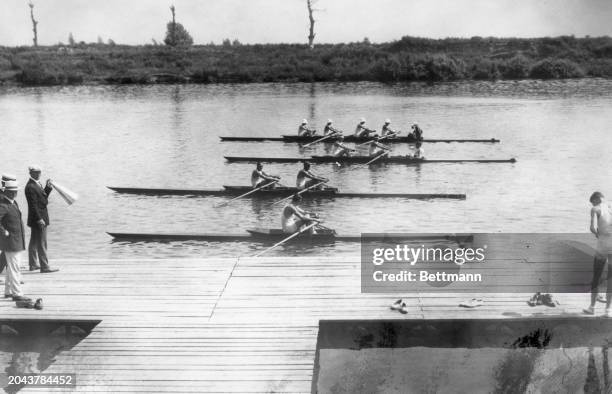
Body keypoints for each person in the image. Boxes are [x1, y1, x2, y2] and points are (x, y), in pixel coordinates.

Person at [24, 165, 59, 273]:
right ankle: (44, 266)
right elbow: (33, 205)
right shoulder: (30, 186)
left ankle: (33, 264)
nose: (39, 174)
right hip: (38, 218)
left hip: (36, 218)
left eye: (39, 172)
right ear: (31, 173)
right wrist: (39, 219)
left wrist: (47, 188)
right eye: (36, 172)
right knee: (42, 242)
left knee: (34, 241)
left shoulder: (35, 184)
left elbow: (42, 199)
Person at [0, 180, 29, 301]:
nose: (14, 193)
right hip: (10, 242)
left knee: (12, 267)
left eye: (15, 191)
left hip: (17, 241)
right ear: (5, 191)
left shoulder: (13, 203)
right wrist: (3, 231)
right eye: (11, 192)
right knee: (14, 268)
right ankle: (17, 294)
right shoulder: (3, 205)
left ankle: (8, 291)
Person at [584, 192, 612, 317]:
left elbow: (592, 227)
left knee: (596, 276)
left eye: (592, 202)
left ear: (595, 199)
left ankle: (592, 307)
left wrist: (598, 235)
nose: (592, 204)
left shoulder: (595, 209)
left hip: (603, 245)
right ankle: (608, 310)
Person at [0, 174, 17, 275]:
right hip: (4, 228)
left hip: (8, 228)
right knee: (7, 252)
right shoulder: (2, 196)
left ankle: (11, 274)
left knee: (9, 251)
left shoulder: (6, 194)